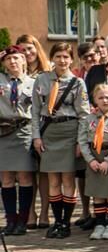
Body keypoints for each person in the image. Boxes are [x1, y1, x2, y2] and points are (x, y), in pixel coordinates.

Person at [31, 43, 90, 238]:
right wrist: (36, 137)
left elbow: (84, 115)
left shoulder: (78, 83)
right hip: (49, 132)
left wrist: (81, 142)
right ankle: (56, 221)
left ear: (71, 59)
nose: (62, 60)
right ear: (52, 58)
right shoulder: (41, 79)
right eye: (58, 56)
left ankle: (66, 223)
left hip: (69, 132)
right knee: (53, 179)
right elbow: (35, 111)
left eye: (66, 57)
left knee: (67, 179)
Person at [77, 84, 108, 240]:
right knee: (97, 193)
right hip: (94, 158)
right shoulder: (88, 119)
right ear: (95, 100)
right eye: (101, 98)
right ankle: (99, 224)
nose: (105, 100)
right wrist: (90, 160)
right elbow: (82, 141)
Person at [18, 34, 53, 230]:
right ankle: (31, 212)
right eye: (22, 50)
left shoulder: (47, 71)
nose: (27, 53)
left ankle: (45, 212)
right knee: (28, 173)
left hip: (45, 127)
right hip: (23, 129)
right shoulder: (15, 74)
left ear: (37, 49)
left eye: (30, 48)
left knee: (44, 173)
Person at [0, 46, 36, 235]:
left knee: (24, 177)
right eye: (8, 59)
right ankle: (10, 221)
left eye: (16, 58)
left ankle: (23, 220)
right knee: (6, 178)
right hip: (3, 132)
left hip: (24, 131)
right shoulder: (0, 80)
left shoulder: (33, 82)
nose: (12, 62)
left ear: (24, 60)